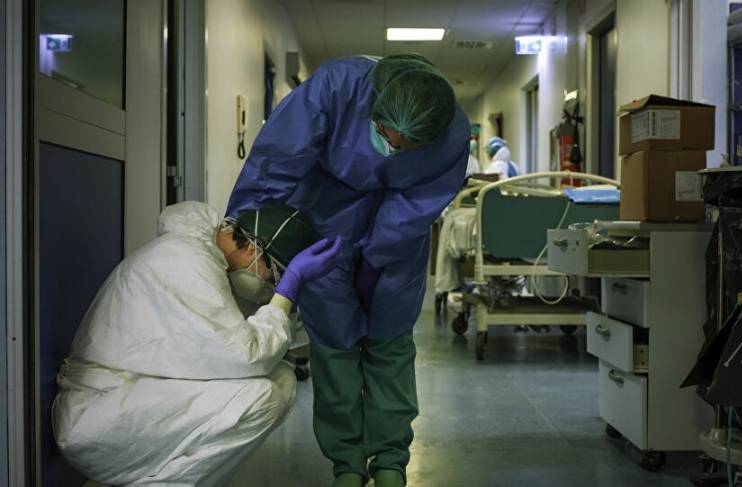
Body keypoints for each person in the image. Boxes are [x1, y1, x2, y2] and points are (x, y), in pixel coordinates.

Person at [227, 53, 469, 487]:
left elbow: (417, 204)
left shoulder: (451, 133)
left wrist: (376, 258)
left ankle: (391, 460)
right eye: (384, 135)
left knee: (390, 340)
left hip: (399, 231)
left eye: (404, 148)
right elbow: (277, 158)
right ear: (374, 107)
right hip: (322, 212)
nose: (389, 150)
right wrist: (247, 231)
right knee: (334, 341)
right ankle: (347, 463)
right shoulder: (338, 87)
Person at [52, 201, 343, 486]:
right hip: (96, 415)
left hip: (128, 394)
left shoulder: (204, 258)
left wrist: (286, 298)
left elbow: (239, 343)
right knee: (260, 398)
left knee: (281, 380)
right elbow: (247, 355)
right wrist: (287, 291)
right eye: (274, 276)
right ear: (254, 249)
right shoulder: (188, 262)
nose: (270, 287)